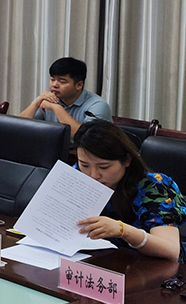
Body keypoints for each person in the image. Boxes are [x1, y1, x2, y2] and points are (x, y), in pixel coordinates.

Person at [74, 121, 184, 262]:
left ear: (126, 160)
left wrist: (122, 230)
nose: (93, 175)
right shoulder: (77, 175)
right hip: (103, 259)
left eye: (104, 167)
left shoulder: (155, 187)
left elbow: (171, 250)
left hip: (152, 266)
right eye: (84, 165)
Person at [18, 57, 112, 136]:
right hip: (52, 150)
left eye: (62, 81)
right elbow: (19, 128)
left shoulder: (98, 105)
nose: (54, 85)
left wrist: (56, 108)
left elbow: (83, 138)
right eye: (52, 79)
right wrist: (36, 103)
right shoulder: (47, 99)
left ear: (79, 85)